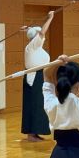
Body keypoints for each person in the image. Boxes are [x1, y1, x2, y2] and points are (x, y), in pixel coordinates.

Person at [22, 11, 54, 142]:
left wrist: (27, 29)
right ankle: (31, 134)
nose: (43, 37)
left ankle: (34, 132)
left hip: (39, 76)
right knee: (34, 104)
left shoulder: (34, 47)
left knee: (38, 104)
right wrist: (50, 18)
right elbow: (41, 33)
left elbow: (38, 33)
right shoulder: (33, 45)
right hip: (34, 78)